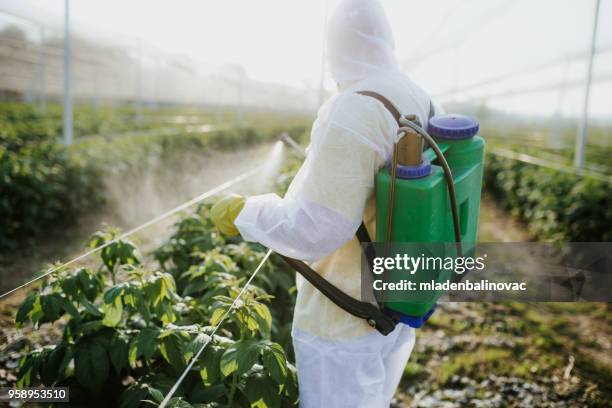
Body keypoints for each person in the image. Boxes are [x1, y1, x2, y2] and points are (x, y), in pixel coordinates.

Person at [211, 0, 440, 406]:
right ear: (386, 40)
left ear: (334, 47)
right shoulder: (418, 96)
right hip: (395, 301)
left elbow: (316, 229)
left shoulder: (354, 108)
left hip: (343, 320)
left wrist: (244, 213)